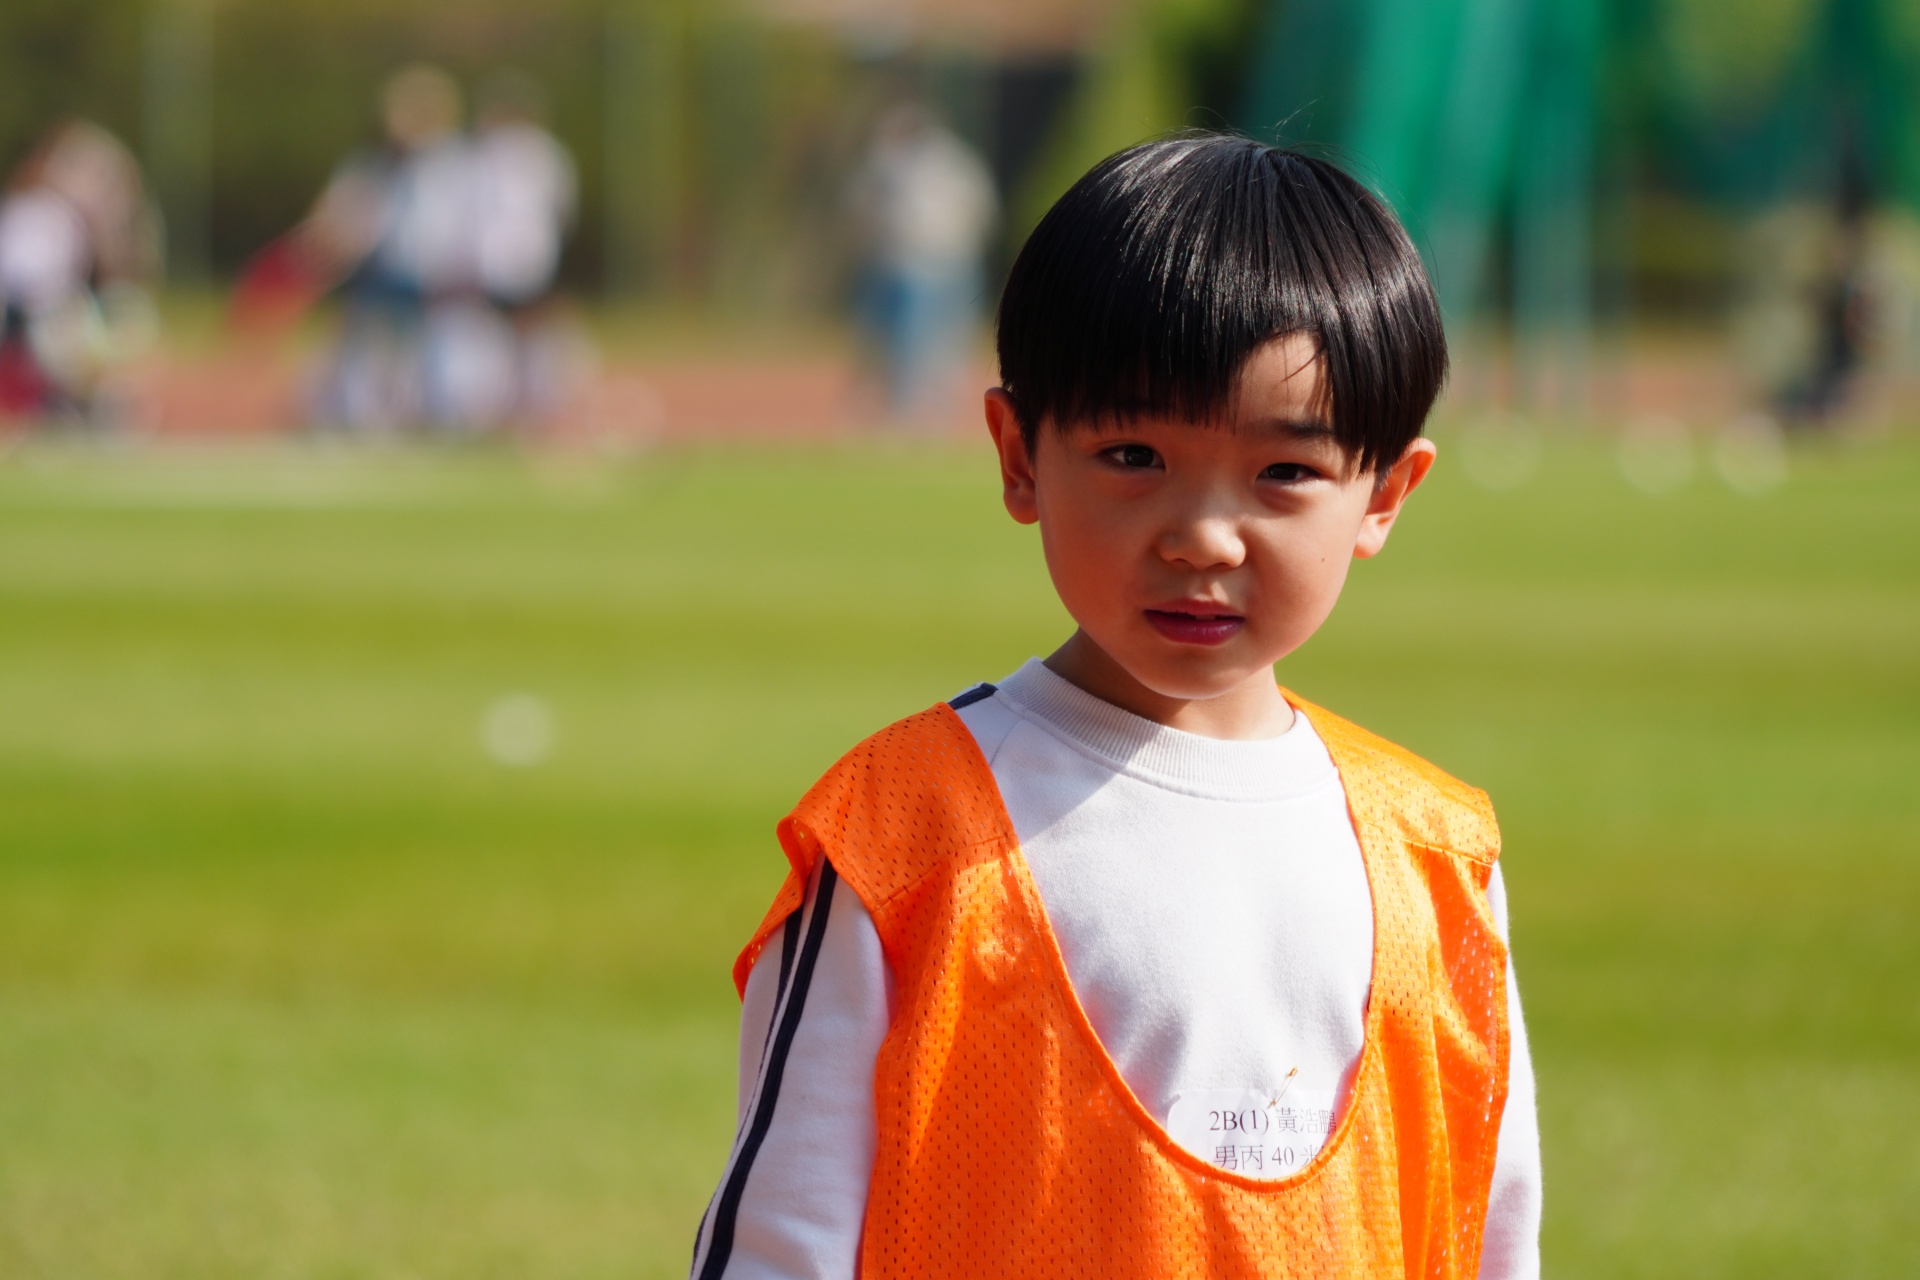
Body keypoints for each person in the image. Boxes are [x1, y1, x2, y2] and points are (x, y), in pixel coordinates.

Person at [691, 136, 1541, 1280]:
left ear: (1385, 491)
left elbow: (1491, 1229)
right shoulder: (903, 839)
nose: (1203, 536)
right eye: (1135, 453)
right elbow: (780, 1244)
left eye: (1284, 472)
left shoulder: (1440, 855)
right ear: (1019, 455)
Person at [848, 103, 997, 423]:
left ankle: (936, 405)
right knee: (901, 338)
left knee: (944, 336)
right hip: (904, 262)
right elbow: (863, 207)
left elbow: (979, 207)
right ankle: (899, 404)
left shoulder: (951, 161)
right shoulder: (888, 161)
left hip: (949, 260)